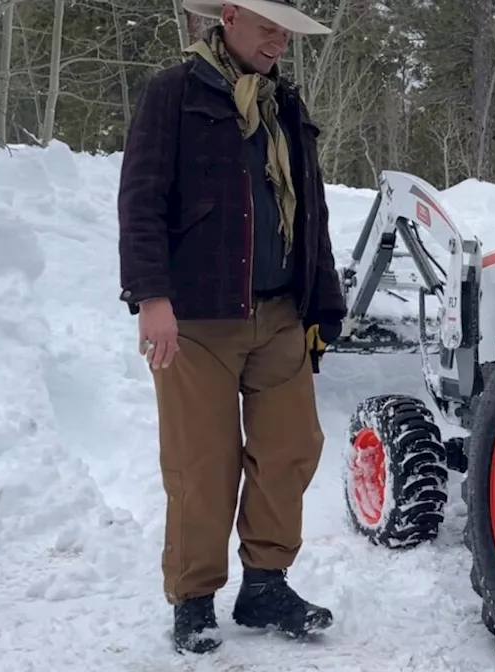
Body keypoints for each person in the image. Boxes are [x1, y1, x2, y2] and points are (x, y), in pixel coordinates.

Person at [117, 0, 345, 655]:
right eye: (269, 26)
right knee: (201, 463)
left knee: (291, 447)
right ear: (229, 17)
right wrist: (149, 296)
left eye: (286, 31)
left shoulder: (285, 105)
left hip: (279, 314)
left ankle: (265, 584)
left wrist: (321, 310)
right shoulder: (175, 93)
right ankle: (193, 601)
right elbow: (141, 198)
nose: (279, 41)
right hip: (197, 316)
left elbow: (313, 217)